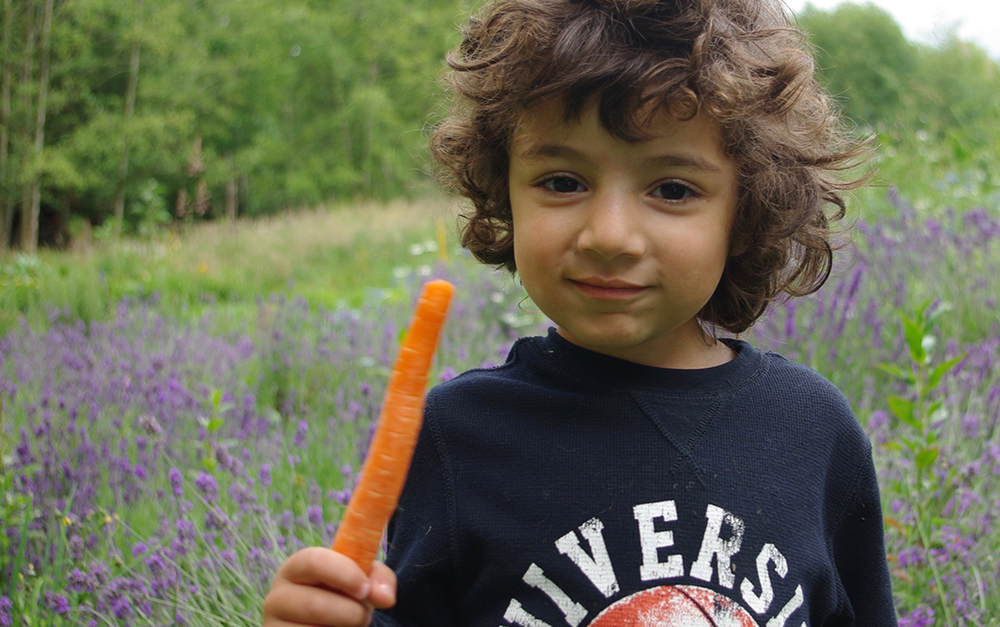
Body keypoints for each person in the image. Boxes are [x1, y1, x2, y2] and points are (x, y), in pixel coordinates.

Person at [262, 0, 899, 625]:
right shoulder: (459, 438)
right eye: (563, 181)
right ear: (505, 193)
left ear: (746, 210)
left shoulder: (813, 433)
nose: (609, 235)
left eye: (672, 189)